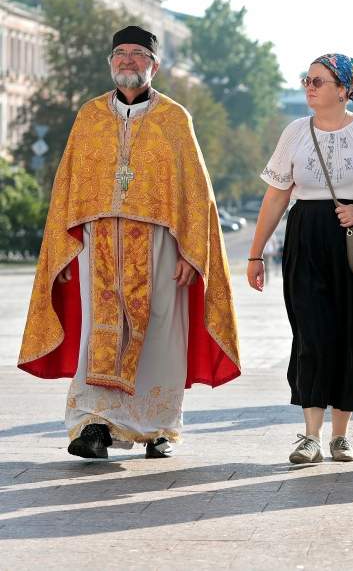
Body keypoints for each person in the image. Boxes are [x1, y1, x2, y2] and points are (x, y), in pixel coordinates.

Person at [18, 25, 240, 459]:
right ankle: (94, 426)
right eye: (120, 53)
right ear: (110, 62)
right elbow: (67, 186)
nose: (127, 61)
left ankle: (158, 427)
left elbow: (197, 194)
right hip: (97, 241)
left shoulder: (174, 119)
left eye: (138, 54)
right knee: (95, 334)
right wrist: (62, 251)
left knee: (160, 331)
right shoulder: (89, 116)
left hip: (160, 245)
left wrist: (193, 254)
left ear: (154, 65)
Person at [247, 54, 353, 464]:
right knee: (311, 334)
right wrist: (255, 252)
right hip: (305, 237)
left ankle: (341, 436)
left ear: (343, 89)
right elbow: (277, 195)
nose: (309, 87)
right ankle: (309, 436)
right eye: (307, 80)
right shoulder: (296, 131)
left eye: (318, 81)